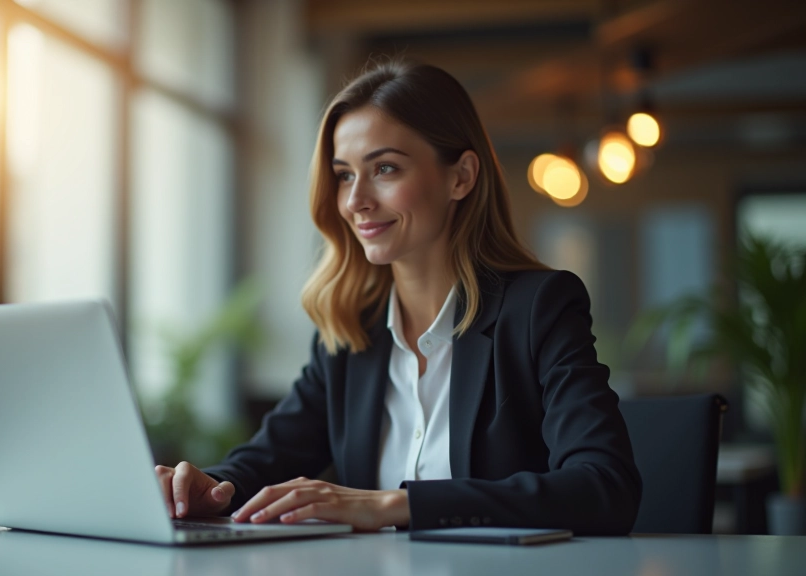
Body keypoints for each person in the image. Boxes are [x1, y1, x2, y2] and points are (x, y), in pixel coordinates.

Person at [154, 61, 642, 534]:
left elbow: (604, 487)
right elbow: (264, 459)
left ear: (461, 177)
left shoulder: (539, 309)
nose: (355, 200)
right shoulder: (350, 330)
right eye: (344, 174)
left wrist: (398, 504)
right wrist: (208, 488)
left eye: (384, 168)